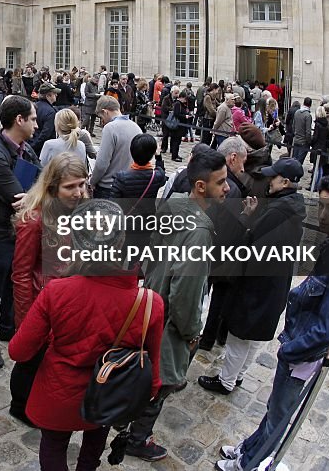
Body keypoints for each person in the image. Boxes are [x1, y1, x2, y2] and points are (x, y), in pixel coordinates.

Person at [218, 173, 329, 470]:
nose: (322, 215)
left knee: (279, 417)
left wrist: (290, 350)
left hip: (302, 353)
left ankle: (249, 464)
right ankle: (248, 451)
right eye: (320, 206)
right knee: (273, 411)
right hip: (297, 344)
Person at [9, 200, 165, 471]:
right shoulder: (149, 303)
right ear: (120, 241)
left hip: (60, 391)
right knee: (92, 451)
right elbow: (153, 374)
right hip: (109, 393)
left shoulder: (56, 292)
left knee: (54, 447)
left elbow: (18, 352)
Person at [123, 149, 229, 462]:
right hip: (168, 320)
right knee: (162, 383)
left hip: (150, 303)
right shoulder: (199, 231)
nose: (227, 188)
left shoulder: (174, 204)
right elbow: (186, 291)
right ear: (200, 186)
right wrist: (191, 331)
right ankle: (137, 438)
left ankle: (122, 418)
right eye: (221, 182)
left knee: (143, 372)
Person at [200, 158, 306, 397]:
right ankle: (236, 376)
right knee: (252, 337)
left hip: (257, 287)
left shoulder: (279, 211)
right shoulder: (292, 206)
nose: (269, 181)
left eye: (274, 178)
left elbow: (252, 248)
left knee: (239, 337)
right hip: (271, 286)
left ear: (285, 182)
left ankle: (226, 381)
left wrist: (247, 220)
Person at [9, 153, 88, 426]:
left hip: (69, 305)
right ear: (53, 187)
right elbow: (20, 274)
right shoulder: (34, 220)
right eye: (71, 186)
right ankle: (19, 406)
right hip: (40, 306)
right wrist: (24, 322)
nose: (78, 192)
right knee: (30, 361)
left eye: (82, 184)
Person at [0, 95, 39, 368]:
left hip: (19, 234)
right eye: (33, 119)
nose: (37, 124)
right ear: (20, 120)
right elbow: (21, 196)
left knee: (13, 285)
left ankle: (7, 328)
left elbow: (40, 182)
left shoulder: (26, 148)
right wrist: (40, 194)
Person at [197, 136, 249, 351]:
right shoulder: (231, 190)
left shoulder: (201, 173)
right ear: (233, 157)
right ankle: (204, 336)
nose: (243, 168)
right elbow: (227, 229)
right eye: (242, 162)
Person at [106, 133, 167, 262]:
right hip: (146, 225)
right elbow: (161, 170)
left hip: (126, 225)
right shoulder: (156, 177)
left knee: (119, 258)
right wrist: (159, 155)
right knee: (137, 260)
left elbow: (112, 204)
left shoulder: (122, 177)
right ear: (151, 154)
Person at [90, 97, 142, 199]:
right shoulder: (136, 127)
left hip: (108, 187)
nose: (103, 121)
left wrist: (92, 181)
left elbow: (102, 163)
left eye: (101, 117)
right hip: (129, 184)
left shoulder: (110, 128)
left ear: (105, 112)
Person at [290, 97, 313, 165]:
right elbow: (308, 131)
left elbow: (293, 126)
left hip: (296, 139)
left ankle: (292, 174)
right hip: (303, 142)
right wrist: (309, 141)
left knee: (294, 159)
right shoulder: (308, 115)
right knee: (299, 162)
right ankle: (295, 175)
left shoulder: (297, 112)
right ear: (310, 105)